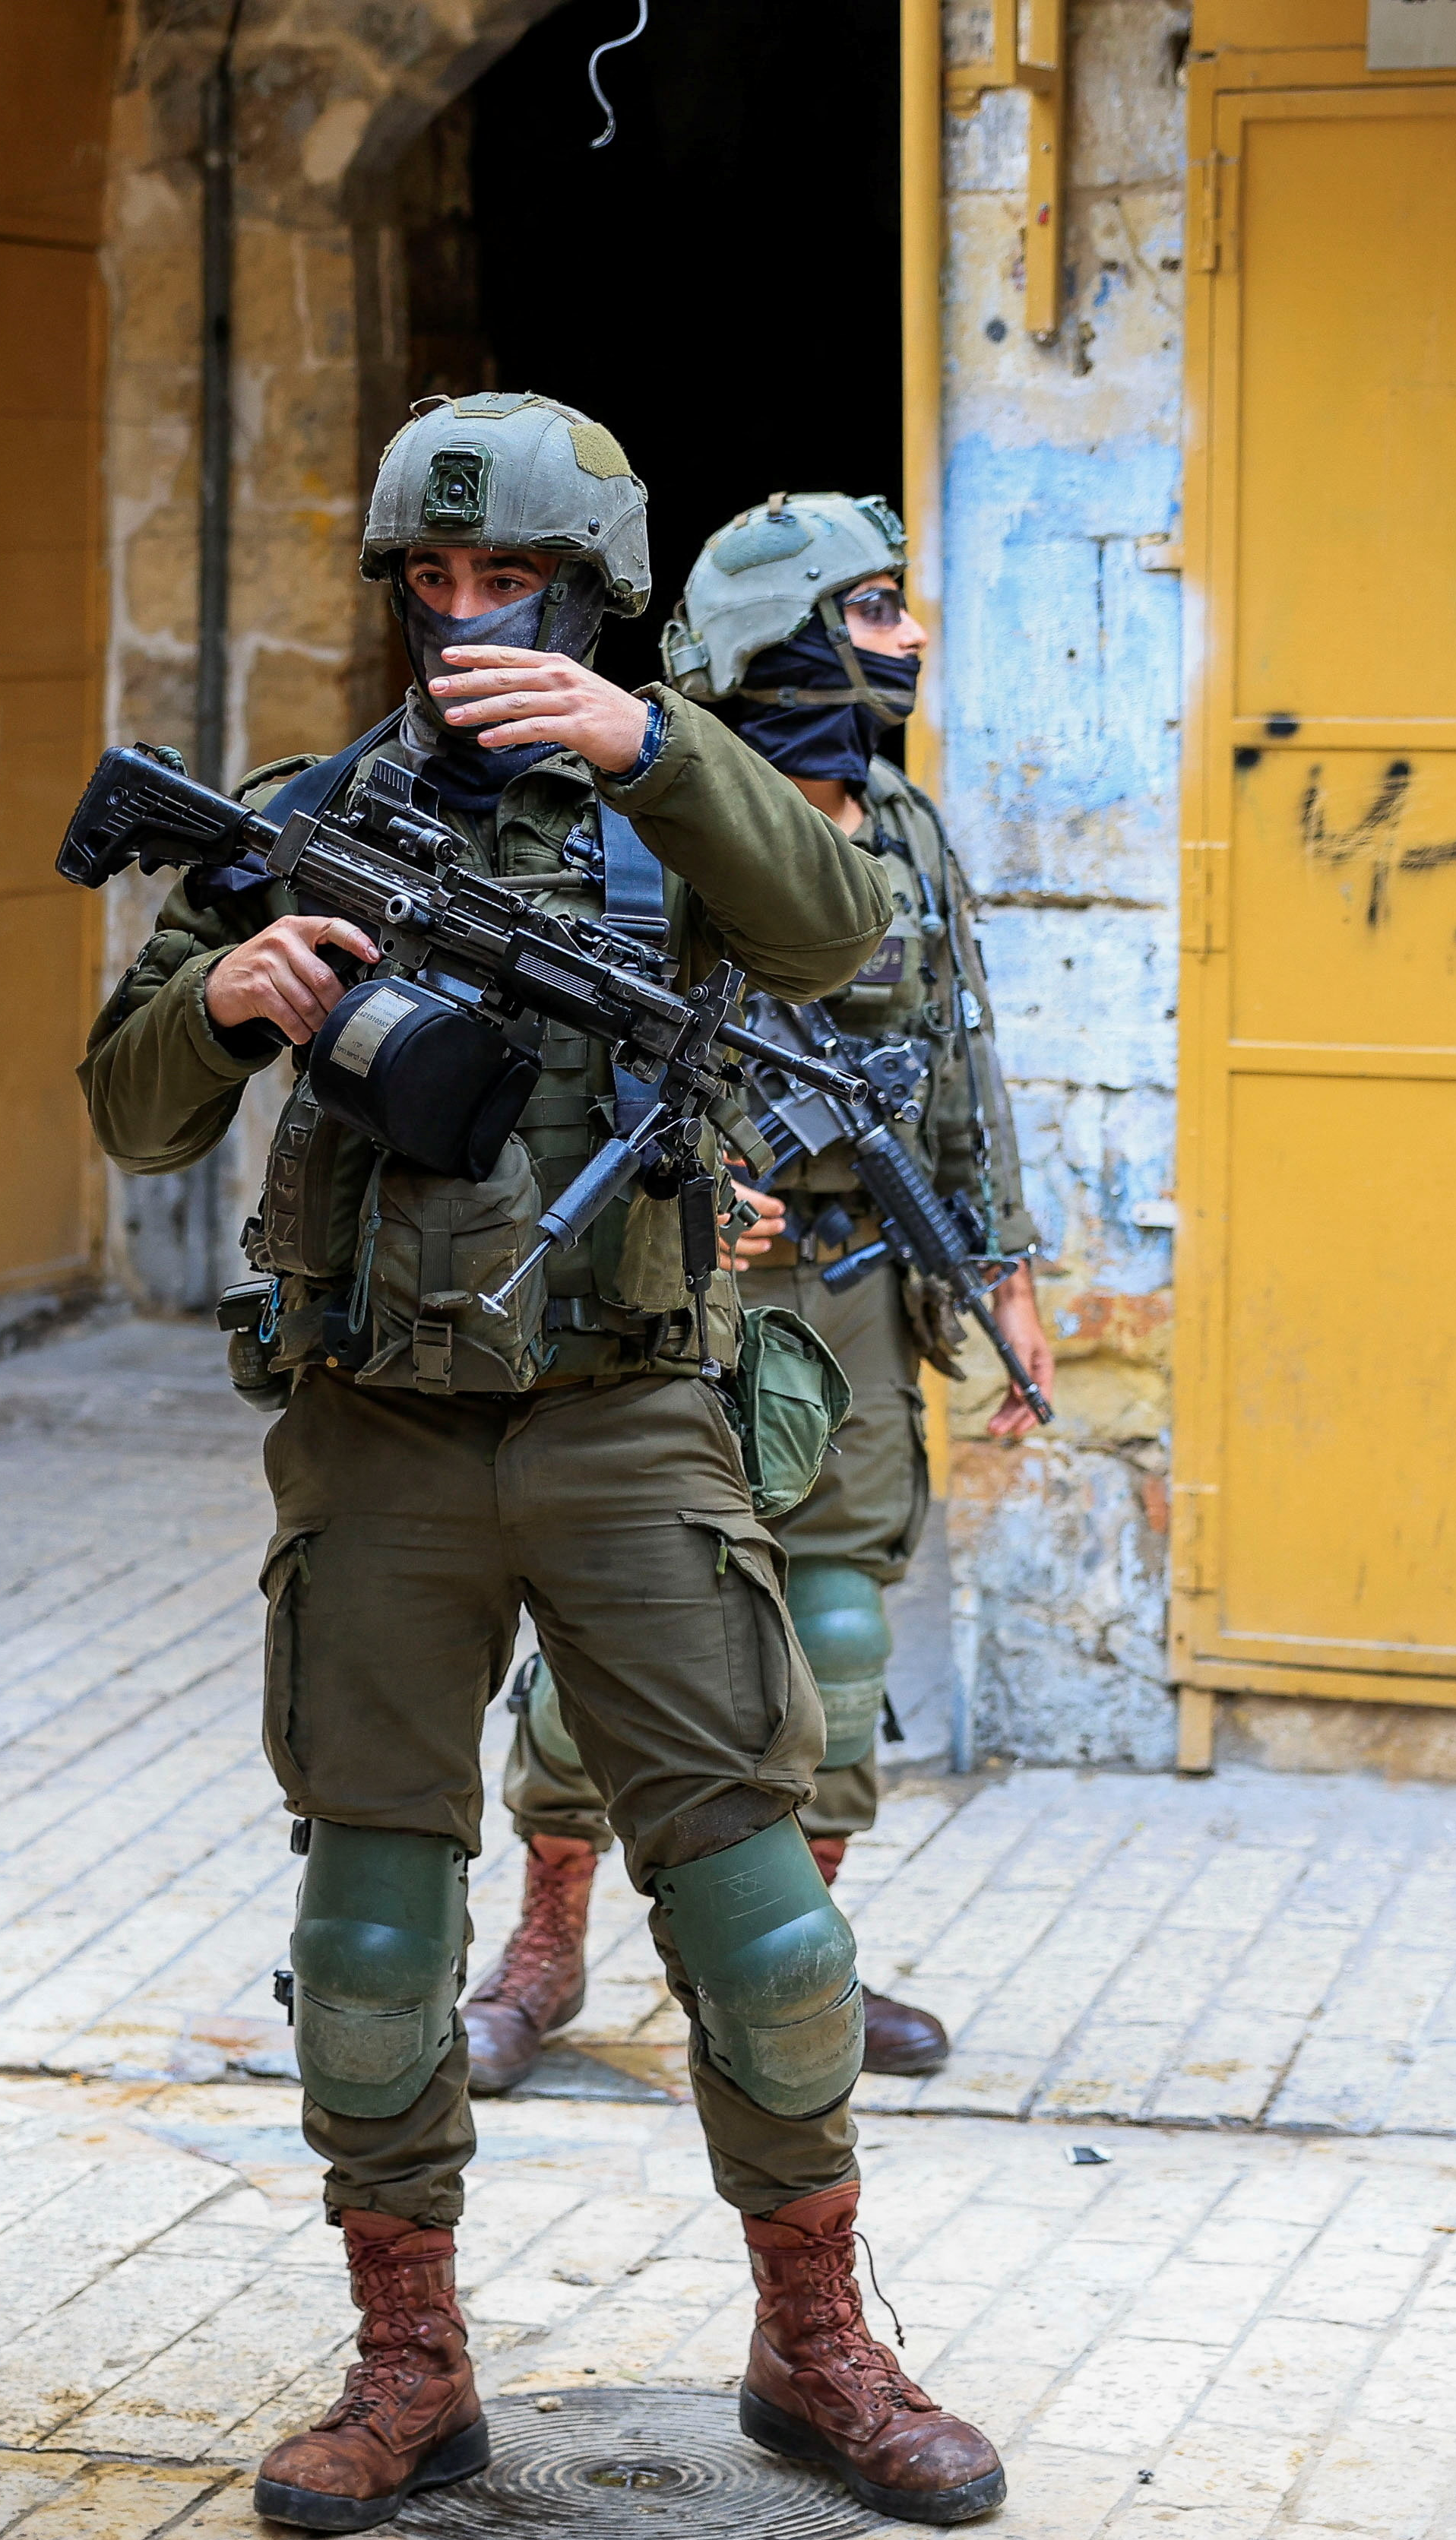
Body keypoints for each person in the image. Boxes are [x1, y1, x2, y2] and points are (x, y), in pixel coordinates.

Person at [79, 394, 1006, 2533]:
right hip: (376, 1437)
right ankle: (408, 2366)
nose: (466, 618)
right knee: (369, 1935)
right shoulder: (305, 814)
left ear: (590, 599)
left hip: (625, 1418)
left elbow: (838, 938)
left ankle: (815, 2345)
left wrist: (652, 746)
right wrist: (224, 999)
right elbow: (130, 1109)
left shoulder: (675, 807)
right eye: (432, 582)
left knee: (768, 1925)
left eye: (510, 584)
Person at [463, 492, 1051, 2098]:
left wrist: (1000, 1270)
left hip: (851, 1290)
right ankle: (543, 1947)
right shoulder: (646, 808)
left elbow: (957, 1058)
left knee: (840, 1640)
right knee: (610, 1630)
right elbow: (555, 1047)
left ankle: (797, 1969)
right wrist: (690, 1177)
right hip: (666, 1292)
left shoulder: (900, 822)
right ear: (786, 628)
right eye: (873, 607)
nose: (907, 637)